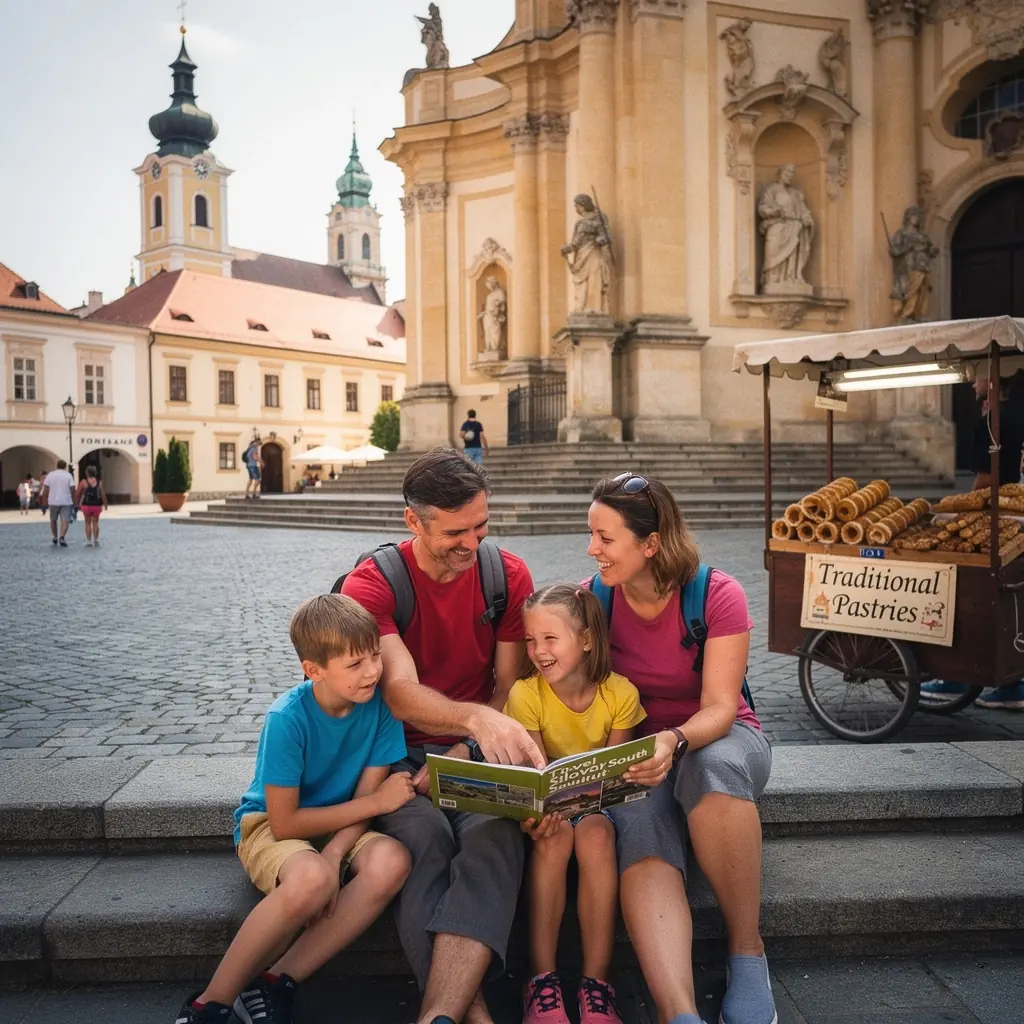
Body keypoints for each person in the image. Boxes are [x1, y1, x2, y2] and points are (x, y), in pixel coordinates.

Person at [341, 447, 543, 1024]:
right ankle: (463, 1014)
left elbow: (507, 687)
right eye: (455, 532)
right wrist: (473, 719)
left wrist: (464, 745)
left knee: (495, 839)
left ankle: (439, 1017)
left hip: (470, 750)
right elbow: (399, 690)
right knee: (423, 842)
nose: (471, 543)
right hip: (392, 756)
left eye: (481, 526)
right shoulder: (373, 584)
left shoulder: (505, 574)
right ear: (413, 521)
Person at [584, 473, 774, 1024]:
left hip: (721, 736)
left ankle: (748, 952)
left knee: (708, 771)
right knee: (638, 817)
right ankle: (679, 1011)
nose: (591, 549)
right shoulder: (594, 598)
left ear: (651, 543)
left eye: (604, 537)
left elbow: (720, 704)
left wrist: (674, 740)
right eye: (591, 534)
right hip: (640, 747)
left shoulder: (717, 593)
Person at [174, 594, 414, 1024]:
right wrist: (376, 805)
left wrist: (337, 851)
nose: (374, 671)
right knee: (313, 881)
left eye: (375, 656)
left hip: (339, 823)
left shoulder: (380, 708)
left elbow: (364, 801)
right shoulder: (288, 717)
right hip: (271, 825)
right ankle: (210, 1003)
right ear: (314, 670)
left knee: (392, 860)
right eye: (355, 664)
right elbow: (285, 823)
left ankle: (276, 981)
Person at [505, 583, 646, 1024]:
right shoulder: (525, 695)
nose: (538, 651)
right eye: (530, 640)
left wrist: (592, 800)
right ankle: (542, 981)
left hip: (597, 809)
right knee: (553, 834)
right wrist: (537, 814)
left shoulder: (620, 695)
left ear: (586, 640)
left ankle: (596, 984)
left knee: (598, 834)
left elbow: (613, 776)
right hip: (547, 814)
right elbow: (534, 776)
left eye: (550, 639)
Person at [922, 374, 1024, 710]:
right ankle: (1014, 683)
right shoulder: (1018, 414)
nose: (970, 381)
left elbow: (985, 478)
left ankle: (958, 675)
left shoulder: (992, 422)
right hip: (1016, 521)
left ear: (994, 381)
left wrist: (959, 509)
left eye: (977, 375)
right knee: (1011, 603)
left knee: (968, 597)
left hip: (994, 521)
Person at [40, 460, 76, 548]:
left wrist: (44, 502)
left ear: (57, 465)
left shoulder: (50, 475)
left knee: (53, 520)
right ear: (65, 466)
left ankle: (55, 537)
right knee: (65, 520)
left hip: (53, 501)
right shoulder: (68, 475)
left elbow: (45, 490)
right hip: (66, 501)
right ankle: (62, 537)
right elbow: (72, 489)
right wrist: (74, 499)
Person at [74, 465, 108, 547]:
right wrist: (105, 504)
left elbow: (78, 493)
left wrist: (75, 502)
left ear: (87, 473)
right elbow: (102, 493)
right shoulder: (99, 482)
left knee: (87, 523)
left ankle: (89, 541)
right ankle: (96, 540)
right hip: (97, 505)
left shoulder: (84, 482)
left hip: (86, 505)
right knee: (95, 522)